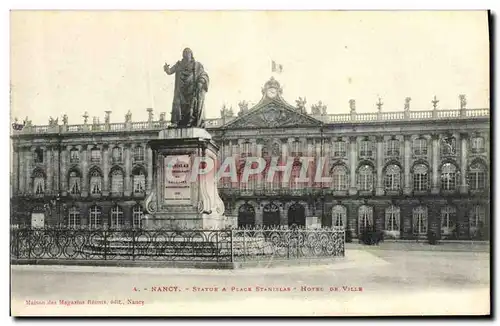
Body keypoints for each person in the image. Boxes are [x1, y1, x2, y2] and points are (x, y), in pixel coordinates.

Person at [164, 48, 209, 128]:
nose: (186, 54)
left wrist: (201, 81)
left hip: (192, 89)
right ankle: (176, 122)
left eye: (188, 53)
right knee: (178, 104)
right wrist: (167, 69)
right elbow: (170, 71)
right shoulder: (179, 64)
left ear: (191, 54)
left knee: (191, 106)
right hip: (181, 90)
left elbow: (203, 74)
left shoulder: (197, 65)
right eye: (184, 53)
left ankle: (191, 122)